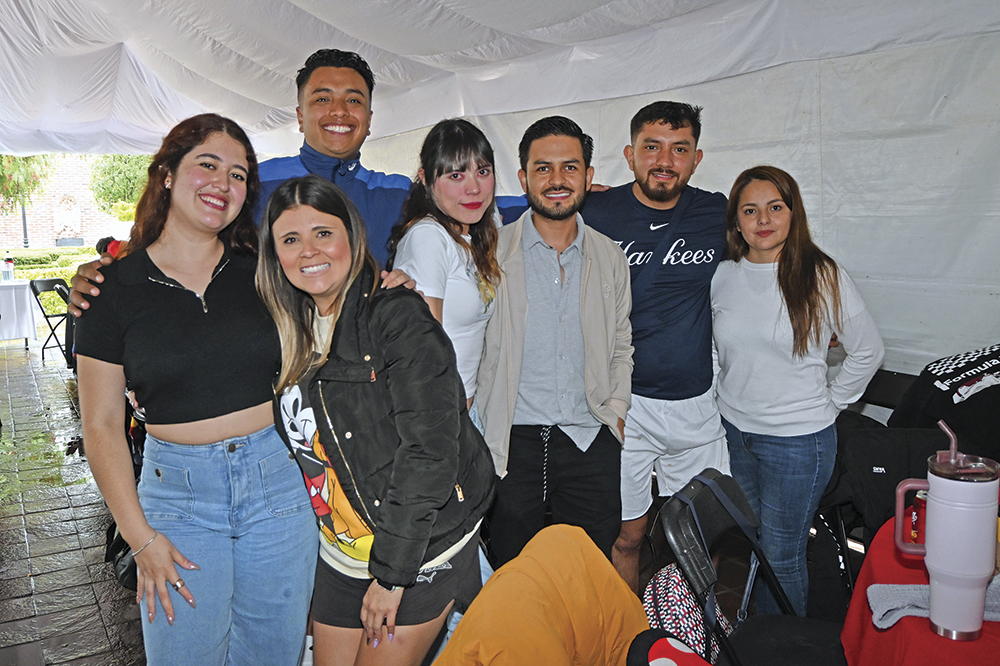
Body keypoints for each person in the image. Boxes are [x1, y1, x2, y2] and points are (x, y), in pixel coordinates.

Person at [74, 114, 317, 664]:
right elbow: (101, 425)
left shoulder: (267, 272)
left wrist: (392, 282)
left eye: (238, 175)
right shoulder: (109, 291)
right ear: (167, 173)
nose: (223, 183)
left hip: (278, 488)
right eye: (208, 164)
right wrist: (139, 537)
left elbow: (337, 287)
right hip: (179, 499)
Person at [258, 175, 496, 666]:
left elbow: (430, 451)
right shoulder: (287, 329)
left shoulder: (395, 316)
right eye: (291, 239)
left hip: (418, 550)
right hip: (342, 554)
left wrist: (391, 577)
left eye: (323, 233)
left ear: (351, 236)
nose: (309, 250)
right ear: (274, 255)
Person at [710, 165, 884, 616]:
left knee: (782, 555)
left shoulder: (821, 274)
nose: (763, 220)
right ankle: (757, 634)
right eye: (750, 210)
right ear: (736, 222)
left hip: (798, 443)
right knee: (755, 542)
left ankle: (782, 645)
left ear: (793, 213)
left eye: (775, 207)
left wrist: (832, 402)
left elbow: (868, 351)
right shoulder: (723, 274)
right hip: (735, 435)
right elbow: (715, 348)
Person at [581, 101, 731, 593]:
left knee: (700, 537)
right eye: (652, 147)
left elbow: (775, 255)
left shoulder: (717, 212)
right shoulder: (595, 211)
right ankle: (632, 631)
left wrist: (814, 317)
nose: (665, 161)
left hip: (698, 407)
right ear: (629, 154)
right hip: (626, 408)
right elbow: (528, 218)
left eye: (679, 149)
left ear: (696, 158)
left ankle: (693, 629)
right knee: (626, 537)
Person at [477, 116, 633, 566]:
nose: (557, 180)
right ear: (523, 177)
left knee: (587, 574)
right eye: (543, 168)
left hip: (590, 436)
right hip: (511, 439)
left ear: (588, 175)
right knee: (513, 575)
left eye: (570, 167)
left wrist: (616, 410)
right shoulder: (489, 252)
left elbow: (621, 341)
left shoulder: (610, 256)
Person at [388, 118, 501, 412]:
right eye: (456, 175)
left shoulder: (474, 235)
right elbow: (426, 354)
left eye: (483, 172)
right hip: (438, 414)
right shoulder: (429, 237)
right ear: (426, 179)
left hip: (467, 410)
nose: (474, 188)